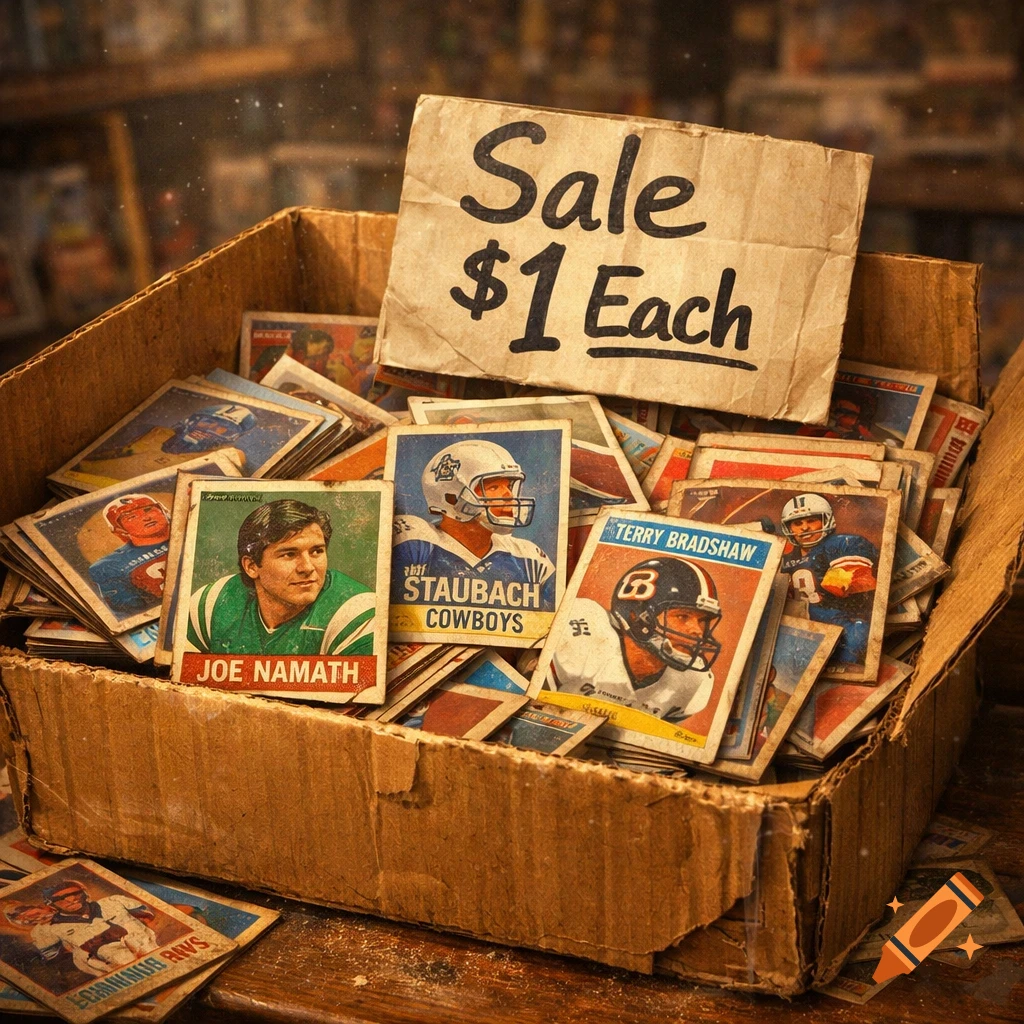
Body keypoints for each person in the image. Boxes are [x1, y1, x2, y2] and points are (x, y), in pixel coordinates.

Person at [186, 498, 375, 657]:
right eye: (289, 554)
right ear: (252, 566)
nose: (307, 568)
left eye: (316, 551)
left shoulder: (356, 612)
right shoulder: (212, 604)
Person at [550, 556, 720, 722]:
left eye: (703, 620)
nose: (697, 631)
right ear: (636, 616)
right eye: (682, 616)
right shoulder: (584, 636)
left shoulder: (693, 680)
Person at [391, 439, 556, 607]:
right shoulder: (416, 545)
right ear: (451, 496)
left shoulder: (529, 558)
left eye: (509, 486)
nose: (509, 496)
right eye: (493, 487)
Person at [780, 493, 878, 664]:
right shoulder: (782, 560)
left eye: (811, 521)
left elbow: (845, 585)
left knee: (859, 631)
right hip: (798, 631)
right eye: (797, 523)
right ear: (789, 528)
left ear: (826, 521)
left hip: (839, 624)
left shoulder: (840, 544)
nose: (804, 528)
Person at [37, 879, 157, 975]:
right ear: (52, 905)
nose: (71, 899)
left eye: (74, 893)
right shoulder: (51, 929)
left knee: (137, 937)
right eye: (60, 898)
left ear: (84, 893)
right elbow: (54, 960)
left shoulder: (113, 901)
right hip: (108, 963)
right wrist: (88, 946)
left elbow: (152, 918)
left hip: (147, 947)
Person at [88, 494, 170, 614]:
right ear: (119, 529)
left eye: (148, 510)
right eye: (131, 517)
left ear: (163, 510)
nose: (146, 518)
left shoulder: (192, 530)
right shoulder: (109, 566)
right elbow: (133, 614)